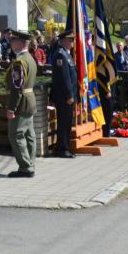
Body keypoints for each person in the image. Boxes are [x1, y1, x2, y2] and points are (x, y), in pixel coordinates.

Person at [4, 30, 38, 177]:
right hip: (29, 100)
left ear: (20, 43)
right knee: (29, 135)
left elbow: (17, 88)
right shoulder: (30, 58)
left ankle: (25, 167)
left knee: (16, 135)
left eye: (13, 41)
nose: (11, 43)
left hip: (21, 102)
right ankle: (30, 164)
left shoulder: (20, 61)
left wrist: (11, 108)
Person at [50, 30, 77, 158]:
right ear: (63, 41)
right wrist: (69, 95)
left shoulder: (66, 54)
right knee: (64, 123)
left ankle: (64, 147)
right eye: (70, 40)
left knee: (67, 122)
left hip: (67, 96)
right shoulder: (60, 55)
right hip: (64, 97)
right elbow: (64, 77)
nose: (72, 42)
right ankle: (62, 149)